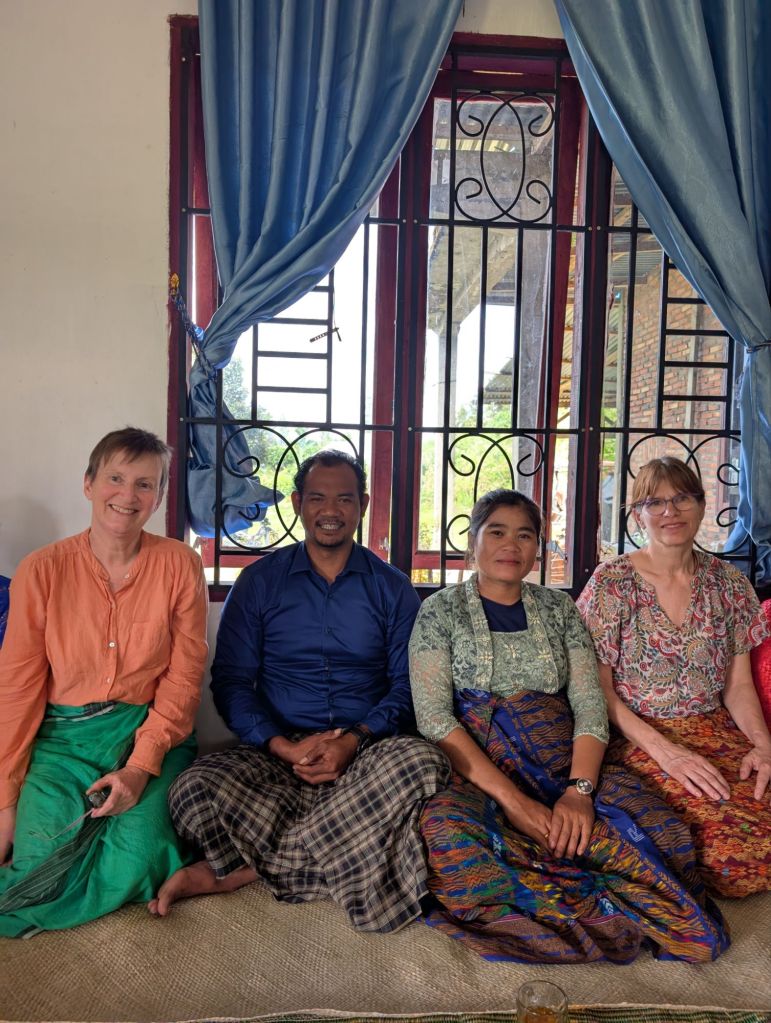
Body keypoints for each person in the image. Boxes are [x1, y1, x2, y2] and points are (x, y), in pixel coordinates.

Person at [409, 488, 729, 964]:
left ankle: (624, 911)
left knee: (657, 828)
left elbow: (589, 703)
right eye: (496, 532)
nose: (511, 545)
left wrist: (579, 792)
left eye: (525, 535)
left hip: (563, 763)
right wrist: (516, 804)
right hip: (481, 774)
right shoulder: (440, 611)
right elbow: (435, 718)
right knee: (448, 833)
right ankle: (606, 915)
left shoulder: (559, 610)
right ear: (472, 541)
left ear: (538, 548)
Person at [151, 450, 450, 931]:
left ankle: (247, 870)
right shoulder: (259, 582)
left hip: (368, 753)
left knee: (424, 763)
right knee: (192, 788)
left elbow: (408, 685)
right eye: (317, 498)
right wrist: (281, 746)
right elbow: (231, 682)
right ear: (297, 503)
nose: (330, 511)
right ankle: (346, 847)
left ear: (363, 505)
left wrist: (353, 739)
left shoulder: (393, 588)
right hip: (280, 752)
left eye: (344, 499)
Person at [0, 427, 208, 937]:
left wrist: (139, 768)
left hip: (149, 733)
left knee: (139, 857)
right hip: (61, 740)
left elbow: (184, 678)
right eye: (115, 478)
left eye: (144, 484)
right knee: (37, 857)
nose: (127, 495)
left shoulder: (181, 564)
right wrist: (5, 799)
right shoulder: (41, 570)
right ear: (89, 484)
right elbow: (18, 689)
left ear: (159, 497)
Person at [577, 456, 771, 898]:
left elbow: (738, 686)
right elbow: (598, 693)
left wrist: (763, 745)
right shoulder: (612, 583)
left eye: (683, 498)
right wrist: (668, 754)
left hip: (714, 729)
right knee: (728, 856)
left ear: (701, 506)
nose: (671, 511)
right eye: (655, 502)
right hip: (640, 736)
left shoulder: (729, 585)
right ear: (637, 514)